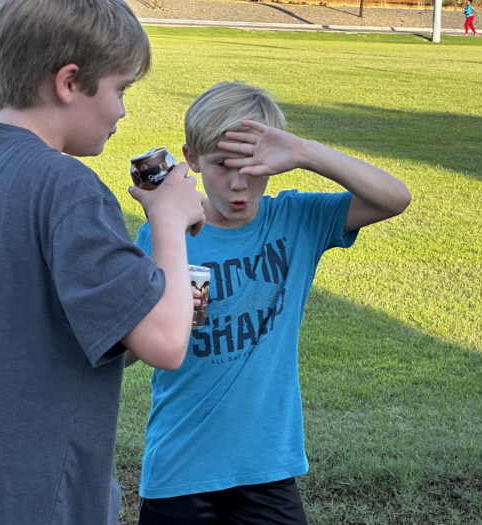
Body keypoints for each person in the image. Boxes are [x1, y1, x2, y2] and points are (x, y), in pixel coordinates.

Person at [127, 82, 412, 524]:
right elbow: (133, 347)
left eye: (254, 166)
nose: (240, 182)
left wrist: (306, 151)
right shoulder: (168, 231)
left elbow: (395, 198)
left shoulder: (296, 220)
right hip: (180, 470)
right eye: (223, 166)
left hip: (266, 469)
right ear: (191, 159)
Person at [0, 1, 206, 524]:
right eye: (120, 89)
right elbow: (167, 343)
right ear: (69, 82)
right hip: (42, 497)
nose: (122, 110)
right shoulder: (66, 185)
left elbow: (31, 333)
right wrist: (168, 218)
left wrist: (141, 304)